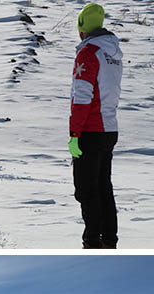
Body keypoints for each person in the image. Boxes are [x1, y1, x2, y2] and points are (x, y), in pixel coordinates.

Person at [68, 3, 122, 249]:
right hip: (109, 129)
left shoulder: (88, 53)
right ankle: (109, 240)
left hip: (90, 130)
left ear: (82, 27)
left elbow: (82, 97)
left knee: (86, 190)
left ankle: (92, 241)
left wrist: (74, 134)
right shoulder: (112, 53)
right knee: (103, 187)